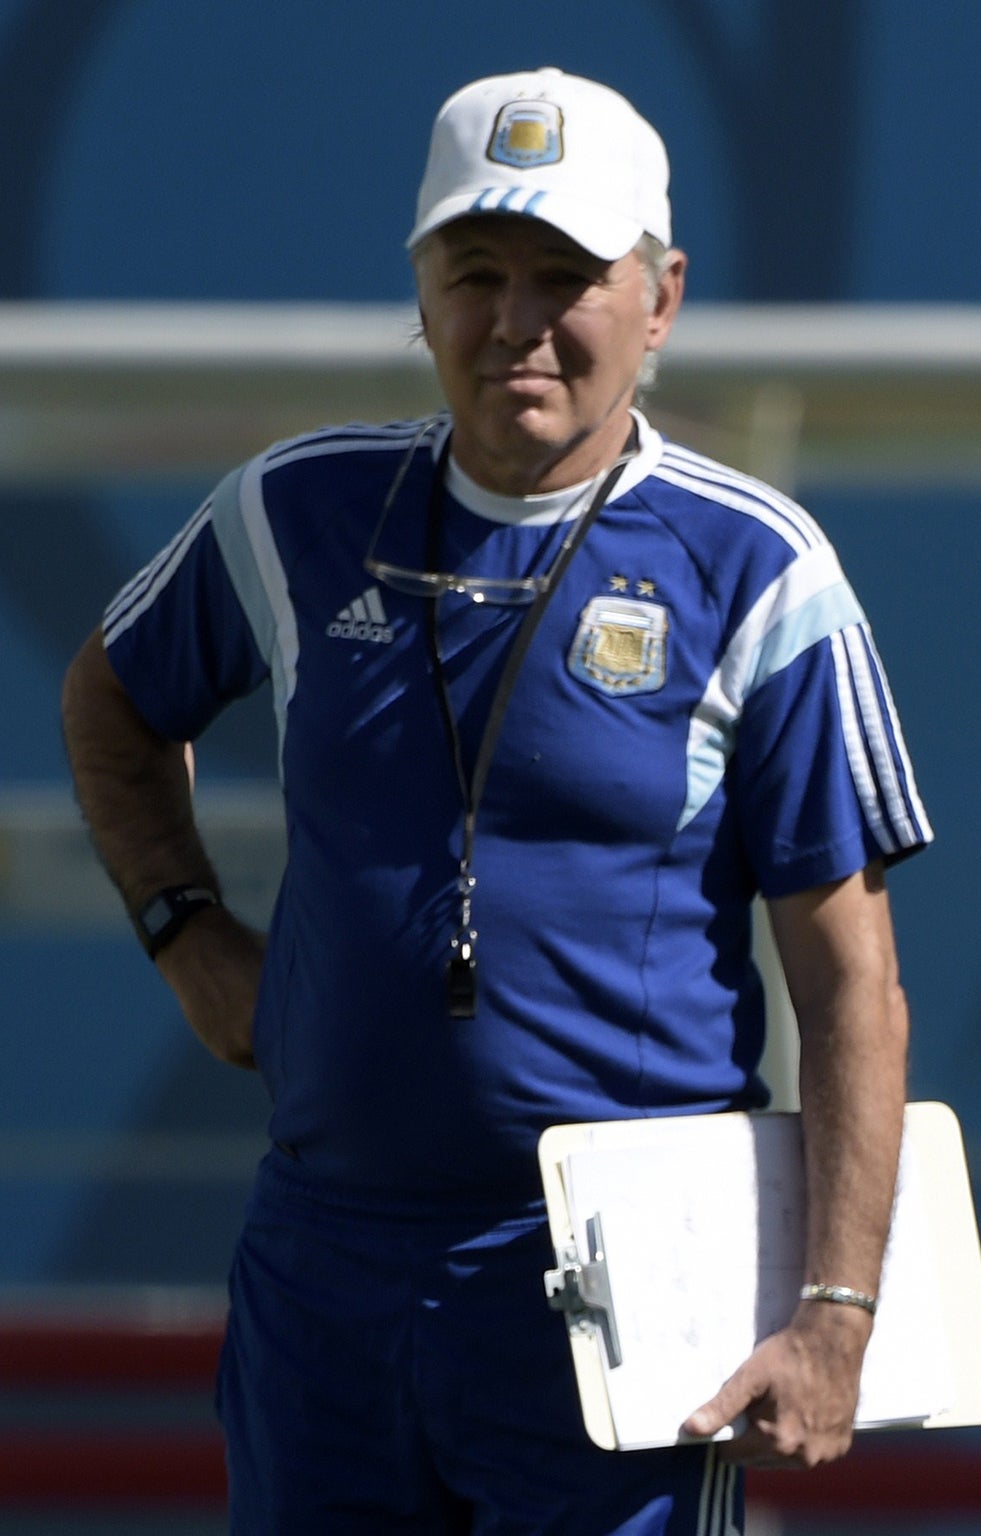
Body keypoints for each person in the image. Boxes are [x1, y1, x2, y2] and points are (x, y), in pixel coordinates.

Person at [60, 66, 931, 1533]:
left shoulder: (759, 568)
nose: (518, 320)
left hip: (622, 1276)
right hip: (325, 1263)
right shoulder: (293, 512)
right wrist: (183, 927)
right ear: (419, 293)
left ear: (661, 301)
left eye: (567, 277)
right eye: (477, 273)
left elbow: (853, 987)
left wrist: (835, 1310)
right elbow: (111, 698)